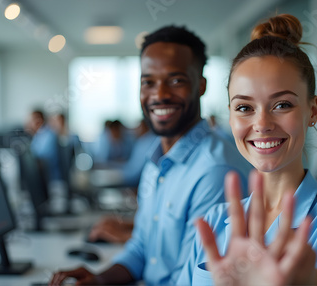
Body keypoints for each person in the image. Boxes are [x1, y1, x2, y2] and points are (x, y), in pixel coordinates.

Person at [177, 14, 317, 285]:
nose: (262, 124)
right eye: (244, 108)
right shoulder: (215, 221)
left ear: (312, 111)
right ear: (230, 117)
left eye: (282, 105)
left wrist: (301, 280)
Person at [50, 25, 251, 285]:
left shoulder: (216, 171)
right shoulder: (155, 160)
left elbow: (192, 281)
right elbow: (141, 249)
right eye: (148, 82)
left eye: (176, 80)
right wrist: (98, 281)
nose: (159, 94)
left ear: (200, 85)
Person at [26, 109, 61, 181]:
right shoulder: (39, 134)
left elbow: (39, 155)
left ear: (38, 120)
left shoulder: (48, 135)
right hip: (44, 177)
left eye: (31, 120)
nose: (29, 123)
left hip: (52, 179)